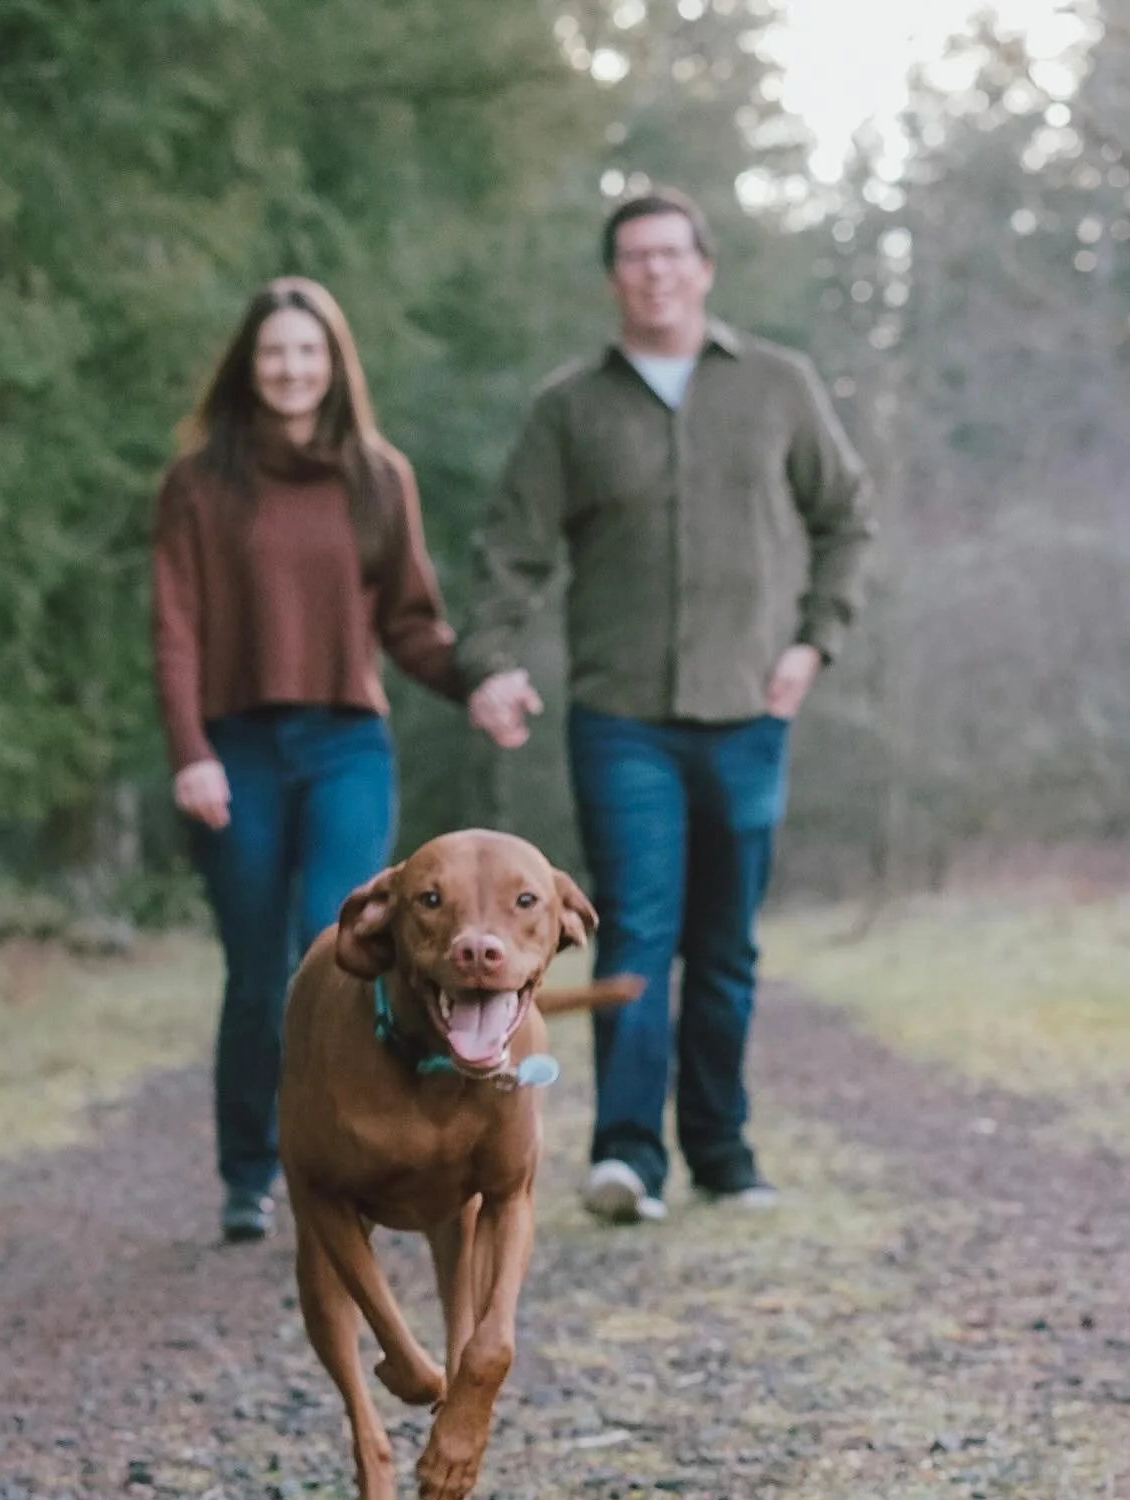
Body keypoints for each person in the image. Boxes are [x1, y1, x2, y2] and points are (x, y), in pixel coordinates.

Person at [457, 189, 876, 1224]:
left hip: (750, 708)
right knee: (637, 926)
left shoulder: (779, 385)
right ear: (615, 278)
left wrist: (813, 640)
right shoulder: (570, 407)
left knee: (727, 942)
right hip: (622, 718)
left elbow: (847, 519)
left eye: (671, 254)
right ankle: (629, 1159)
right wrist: (491, 661)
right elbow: (510, 548)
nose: (654, 272)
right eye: (634, 257)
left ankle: (726, 1155)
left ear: (704, 268)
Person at [152, 277, 465, 1244]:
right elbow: (176, 629)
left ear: (335, 366)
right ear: (250, 367)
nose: (291, 369)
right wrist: (191, 751)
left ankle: (349, 1161)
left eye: (308, 353)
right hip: (235, 751)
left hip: (343, 745)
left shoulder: (378, 478)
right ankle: (248, 1174)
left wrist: (477, 681)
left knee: (338, 958)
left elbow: (412, 623)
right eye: (274, 353)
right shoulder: (200, 483)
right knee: (256, 973)